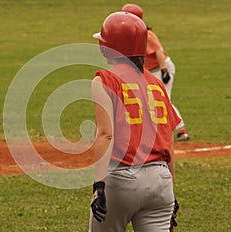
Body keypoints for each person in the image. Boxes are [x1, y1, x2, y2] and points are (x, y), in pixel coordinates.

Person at [89, 11, 180, 232]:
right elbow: (168, 141)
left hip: (122, 178)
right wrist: (171, 191)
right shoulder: (156, 84)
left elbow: (105, 134)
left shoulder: (105, 79)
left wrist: (99, 185)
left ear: (108, 47)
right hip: (161, 181)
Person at [122, 3, 190, 142]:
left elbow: (158, 50)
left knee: (164, 100)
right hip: (151, 70)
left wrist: (164, 70)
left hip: (161, 68)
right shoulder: (133, 34)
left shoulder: (146, 34)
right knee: (148, 100)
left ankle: (181, 130)